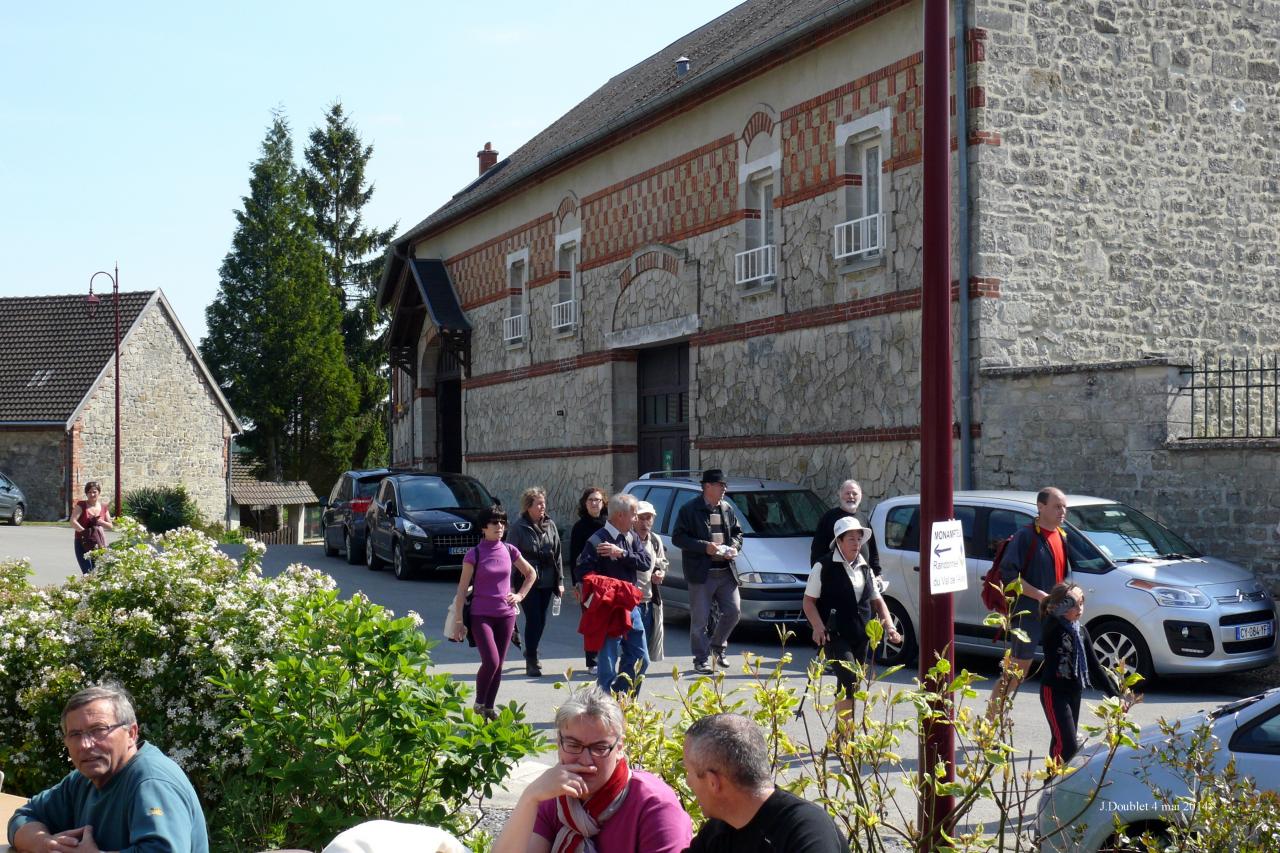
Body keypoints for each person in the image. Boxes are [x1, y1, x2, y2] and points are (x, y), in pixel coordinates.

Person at [7, 683, 209, 853]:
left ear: (131, 733)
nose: (85, 744)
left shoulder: (151, 781)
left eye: (98, 730)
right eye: (75, 734)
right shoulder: (83, 779)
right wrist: (46, 844)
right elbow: (23, 817)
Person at [492, 686, 692, 853]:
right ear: (559, 743)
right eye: (573, 745)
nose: (586, 760)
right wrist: (530, 797)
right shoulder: (553, 796)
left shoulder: (654, 805)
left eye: (599, 748)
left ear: (620, 748)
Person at [682, 713, 849, 853]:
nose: (688, 782)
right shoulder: (719, 831)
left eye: (689, 772)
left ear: (713, 782)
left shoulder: (808, 830)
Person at [986, 487, 1075, 720]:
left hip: (1056, 616)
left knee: (1062, 672)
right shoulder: (1025, 536)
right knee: (1016, 672)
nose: (1062, 511)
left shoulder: (1062, 536)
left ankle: (1063, 732)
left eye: (1064, 506)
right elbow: (1009, 577)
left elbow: (1066, 579)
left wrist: (1072, 601)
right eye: (1057, 506)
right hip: (1028, 616)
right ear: (1041, 507)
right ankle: (989, 724)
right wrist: (1040, 596)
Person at [801, 517, 902, 721]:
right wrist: (818, 627)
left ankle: (843, 737)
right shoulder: (824, 566)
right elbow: (808, 602)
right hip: (834, 634)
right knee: (849, 678)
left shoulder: (865, 568)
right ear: (839, 541)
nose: (857, 544)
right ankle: (846, 736)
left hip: (861, 635)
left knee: (851, 685)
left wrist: (890, 627)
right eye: (851, 539)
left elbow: (877, 600)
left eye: (859, 539)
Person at [450, 506, 536, 719]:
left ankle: (489, 707)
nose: (499, 526)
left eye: (502, 522)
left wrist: (520, 596)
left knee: (499, 665)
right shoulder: (474, 554)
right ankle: (479, 705)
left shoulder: (509, 550)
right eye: (494, 522)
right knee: (491, 661)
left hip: (506, 615)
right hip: (481, 615)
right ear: (483, 527)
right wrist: (459, 621)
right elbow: (462, 590)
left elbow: (530, 573)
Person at [1038, 582, 1124, 763]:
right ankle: (1051, 785)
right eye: (1072, 604)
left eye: (1082, 603)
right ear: (1060, 606)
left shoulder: (1081, 631)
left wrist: (1116, 696)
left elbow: (1095, 667)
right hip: (1053, 693)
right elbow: (1054, 613)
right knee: (1068, 745)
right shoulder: (1052, 626)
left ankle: (1052, 783)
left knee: (1061, 741)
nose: (1079, 608)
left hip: (1074, 693)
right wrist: (1069, 595)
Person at [577, 493, 654, 694]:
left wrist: (621, 554)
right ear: (620, 515)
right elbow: (583, 575)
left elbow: (646, 563)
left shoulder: (632, 536)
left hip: (631, 607)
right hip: (609, 610)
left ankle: (623, 700)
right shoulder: (596, 541)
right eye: (634, 514)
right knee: (607, 666)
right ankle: (604, 706)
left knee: (641, 659)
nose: (636, 519)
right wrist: (611, 589)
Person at [671, 468, 744, 675]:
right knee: (700, 620)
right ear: (707, 486)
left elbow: (738, 533)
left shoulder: (727, 508)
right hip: (701, 573)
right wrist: (705, 547)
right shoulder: (689, 509)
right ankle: (700, 659)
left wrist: (734, 548)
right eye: (721, 485)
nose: (724, 489)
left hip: (725, 570)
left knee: (733, 611)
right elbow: (678, 538)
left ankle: (717, 647)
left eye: (725, 486)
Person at [508, 487, 563, 677]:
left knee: (542, 621)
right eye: (538, 503)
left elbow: (557, 554)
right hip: (526, 581)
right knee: (534, 619)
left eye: (543, 503)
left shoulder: (550, 525)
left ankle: (531, 650)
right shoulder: (518, 528)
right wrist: (511, 584)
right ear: (528, 506)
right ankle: (532, 659)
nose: (543, 506)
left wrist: (560, 581)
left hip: (547, 579)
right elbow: (510, 557)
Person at [570, 486, 608, 674]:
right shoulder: (580, 527)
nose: (595, 503)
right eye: (591, 500)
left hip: (608, 580)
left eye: (598, 500)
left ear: (604, 503)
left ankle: (606, 658)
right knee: (591, 620)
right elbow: (574, 556)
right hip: (588, 581)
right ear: (585, 504)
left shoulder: (609, 525)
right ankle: (591, 661)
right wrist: (575, 584)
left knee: (609, 621)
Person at [809, 479, 880, 576]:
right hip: (836, 578)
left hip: (863, 575)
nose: (851, 496)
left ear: (861, 496)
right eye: (847, 493)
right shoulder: (829, 518)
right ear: (840, 494)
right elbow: (817, 550)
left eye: (854, 493)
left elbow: (872, 550)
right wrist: (819, 575)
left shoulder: (863, 519)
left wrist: (877, 573)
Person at [633, 500, 667, 662]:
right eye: (641, 518)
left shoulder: (655, 540)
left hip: (648, 603)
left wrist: (660, 573)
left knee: (642, 653)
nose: (645, 522)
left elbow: (662, 562)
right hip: (630, 603)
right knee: (636, 653)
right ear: (633, 519)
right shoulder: (627, 539)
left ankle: (632, 684)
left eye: (649, 518)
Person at [71, 481, 113, 574]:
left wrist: (101, 522)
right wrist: (85, 533)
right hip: (82, 542)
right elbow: (73, 521)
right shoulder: (81, 505)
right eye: (89, 492)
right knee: (87, 571)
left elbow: (110, 526)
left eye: (94, 492)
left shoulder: (103, 507)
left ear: (99, 493)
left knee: (97, 571)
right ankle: (87, 588)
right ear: (86, 493)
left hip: (97, 543)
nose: (92, 494)